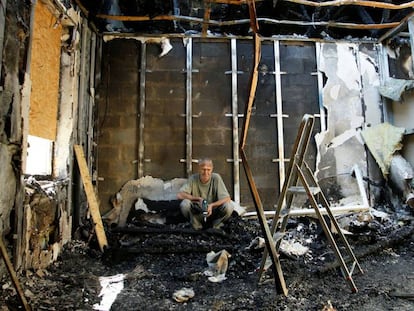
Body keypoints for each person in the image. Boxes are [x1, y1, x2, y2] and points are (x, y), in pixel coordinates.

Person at [177, 158, 234, 230]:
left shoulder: (216, 178)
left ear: (212, 169)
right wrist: (197, 199)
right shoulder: (193, 178)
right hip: (198, 212)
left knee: (229, 206)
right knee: (185, 204)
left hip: (214, 212)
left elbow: (227, 198)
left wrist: (211, 205)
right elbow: (180, 195)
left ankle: (216, 225)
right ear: (199, 169)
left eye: (208, 170)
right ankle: (196, 224)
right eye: (203, 169)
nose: (206, 172)